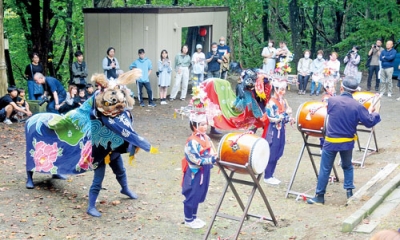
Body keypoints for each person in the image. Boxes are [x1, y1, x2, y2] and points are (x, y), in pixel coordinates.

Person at [307, 76, 381, 205]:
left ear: (342, 88)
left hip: (330, 141)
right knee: (347, 167)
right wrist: (373, 113)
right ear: (355, 91)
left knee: (325, 168)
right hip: (347, 143)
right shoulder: (357, 106)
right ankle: (349, 193)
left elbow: (332, 110)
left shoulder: (332, 101)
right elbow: (368, 122)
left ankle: (319, 196)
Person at [181, 109, 217, 229]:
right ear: (194, 125)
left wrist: (215, 157)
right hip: (195, 171)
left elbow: (212, 151)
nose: (205, 126)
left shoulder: (206, 138)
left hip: (204, 170)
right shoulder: (192, 142)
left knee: (199, 194)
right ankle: (188, 219)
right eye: (201, 125)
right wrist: (211, 160)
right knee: (192, 194)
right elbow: (195, 159)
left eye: (205, 124)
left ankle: (194, 217)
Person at [263, 79, 293, 185]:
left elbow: (284, 116)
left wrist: (289, 118)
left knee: (279, 151)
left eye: (284, 90)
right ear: (275, 89)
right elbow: (272, 118)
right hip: (274, 130)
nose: (283, 92)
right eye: (281, 89)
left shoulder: (283, 101)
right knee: (273, 152)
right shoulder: (271, 103)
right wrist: (285, 115)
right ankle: (267, 175)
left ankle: (271, 174)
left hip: (281, 129)